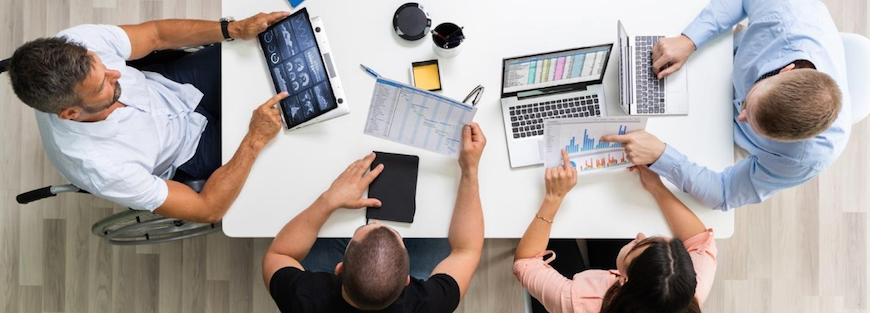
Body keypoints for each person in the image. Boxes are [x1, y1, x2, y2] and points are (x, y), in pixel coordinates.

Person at [6, 12, 291, 222]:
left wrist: (233, 29)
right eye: (102, 85)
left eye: (104, 66)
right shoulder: (102, 167)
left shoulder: (76, 43)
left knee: (264, 52)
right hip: (188, 151)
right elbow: (207, 209)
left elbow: (156, 34)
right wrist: (253, 140)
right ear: (71, 113)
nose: (117, 73)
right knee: (288, 142)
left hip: (174, 86)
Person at [602, 0, 851, 211]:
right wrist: (689, 39)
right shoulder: (788, 12)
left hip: (723, 140)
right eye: (747, 104)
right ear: (785, 70)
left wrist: (661, 155)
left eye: (753, 125)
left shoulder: (807, 158)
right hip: (721, 59)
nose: (740, 116)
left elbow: (724, 192)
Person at [262, 123, 487, 313]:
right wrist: (470, 169)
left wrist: (329, 200)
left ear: (339, 269)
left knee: (328, 232)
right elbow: (466, 250)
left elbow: (279, 254)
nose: (378, 223)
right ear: (407, 281)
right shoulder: (427, 304)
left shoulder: (305, 297)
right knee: (436, 240)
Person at [513, 150, 717, 313]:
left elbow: (525, 263)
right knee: (608, 220)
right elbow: (701, 241)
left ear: (623, 280)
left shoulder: (578, 301)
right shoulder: (687, 292)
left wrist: (553, 198)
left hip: (582, 296)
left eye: (635, 247)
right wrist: (656, 187)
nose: (639, 236)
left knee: (558, 237)